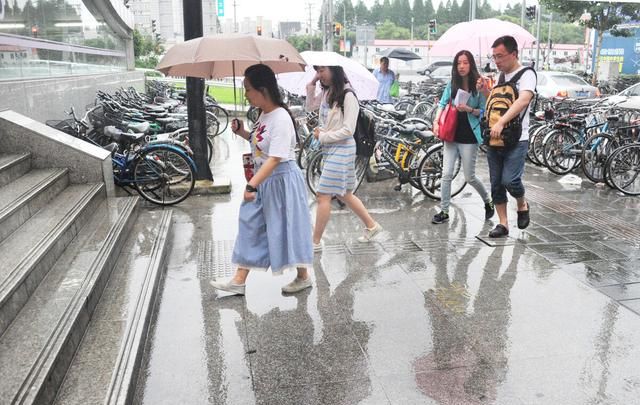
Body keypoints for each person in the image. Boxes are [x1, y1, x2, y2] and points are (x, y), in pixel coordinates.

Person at [210, 64, 313, 295]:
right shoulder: (263, 115)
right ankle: (239, 279)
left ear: (262, 89)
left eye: (248, 89)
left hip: (281, 181)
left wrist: (251, 184)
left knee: (288, 228)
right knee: (250, 224)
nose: (245, 94)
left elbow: (276, 157)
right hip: (264, 180)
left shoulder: (282, 117)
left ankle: (303, 276)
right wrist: (243, 133)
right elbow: (261, 147)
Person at [306, 65, 382, 251]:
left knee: (323, 195)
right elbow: (310, 106)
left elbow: (348, 129)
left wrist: (322, 136)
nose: (319, 73)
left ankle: (315, 242)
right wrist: (312, 84)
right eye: (317, 70)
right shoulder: (327, 92)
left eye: (322, 70)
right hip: (330, 149)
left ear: (334, 70)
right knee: (345, 193)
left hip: (343, 150)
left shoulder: (348, 95)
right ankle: (372, 226)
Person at [478, 35, 537, 238]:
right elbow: (495, 105)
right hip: (494, 138)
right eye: (494, 57)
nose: (497, 61)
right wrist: (486, 92)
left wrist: (502, 122)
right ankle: (503, 224)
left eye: (500, 56)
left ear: (514, 54)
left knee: (510, 180)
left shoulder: (527, 74)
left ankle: (522, 203)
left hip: (516, 138)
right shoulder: (500, 77)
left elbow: (523, 100)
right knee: (496, 183)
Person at [431, 50, 494, 224]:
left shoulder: (479, 85)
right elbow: (442, 104)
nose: (462, 66)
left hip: (469, 138)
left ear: (471, 64)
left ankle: (488, 201)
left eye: (465, 62)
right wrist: (436, 122)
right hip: (451, 135)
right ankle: (444, 211)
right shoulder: (452, 84)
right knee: (446, 174)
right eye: (459, 63)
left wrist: (468, 110)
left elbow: (484, 111)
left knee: (469, 177)